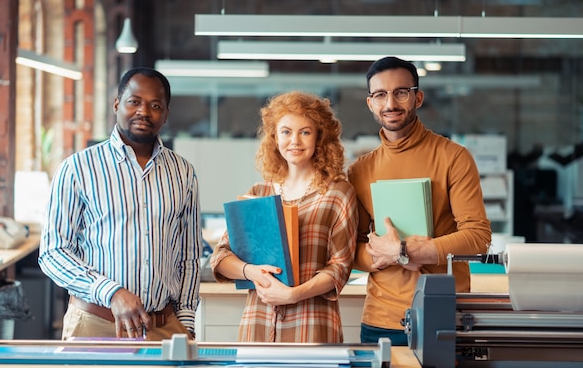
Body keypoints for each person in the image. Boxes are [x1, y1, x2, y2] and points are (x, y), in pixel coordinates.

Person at [39, 67, 202, 341]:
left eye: (155, 105)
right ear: (117, 104)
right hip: (96, 325)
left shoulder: (183, 172)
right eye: (134, 101)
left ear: (166, 114)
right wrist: (111, 291)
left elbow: (188, 257)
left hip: (165, 328)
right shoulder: (78, 168)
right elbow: (53, 253)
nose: (144, 111)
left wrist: (185, 322)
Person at [347, 56, 492, 345]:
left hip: (443, 314)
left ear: (418, 97)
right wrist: (382, 255)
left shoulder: (454, 157)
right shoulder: (359, 171)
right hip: (381, 320)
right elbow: (352, 250)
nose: (390, 103)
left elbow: (478, 237)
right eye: (380, 95)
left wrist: (406, 251)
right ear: (371, 103)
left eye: (401, 92)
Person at [210, 91, 358, 343]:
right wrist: (251, 272)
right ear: (275, 138)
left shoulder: (339, 193)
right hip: (258, 324)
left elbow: (340, 267)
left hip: (312, 326)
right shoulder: (258, 194)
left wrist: (292, 295)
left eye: (305, 132)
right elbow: (221, 258)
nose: (295, 141)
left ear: (319, 137)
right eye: (286, 131)